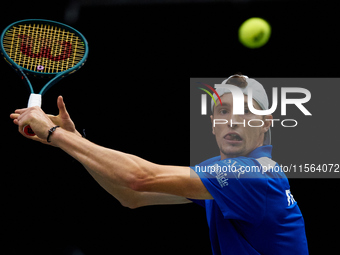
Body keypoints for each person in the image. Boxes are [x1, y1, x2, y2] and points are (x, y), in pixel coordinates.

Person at [10, 74, 308, 254]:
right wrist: (72, 140)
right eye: (223, 111)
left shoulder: (249, 174)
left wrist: (56, 134)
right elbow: (132, 196)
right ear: (213, 125)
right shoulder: (224, 175)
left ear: (266, 122)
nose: (231, 119)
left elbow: (139, 178)